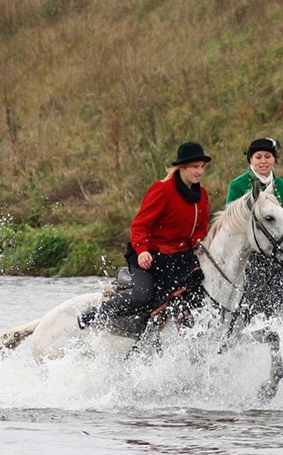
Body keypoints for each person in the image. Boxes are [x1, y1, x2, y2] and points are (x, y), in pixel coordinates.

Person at [78, 142, 212, 333]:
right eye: (194, 167)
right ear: (182, 168)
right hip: (150, 256)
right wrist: (142, 251)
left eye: (202, 167)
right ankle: (99, 312)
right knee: (142, 296)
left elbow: (199, 230)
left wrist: (198, 241)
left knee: (200, 290)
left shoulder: (203, 195)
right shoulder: (162, 190)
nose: (199, 172)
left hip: (181, 258)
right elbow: (139, 226)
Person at [226, 138, 283, 319]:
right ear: (250, 160)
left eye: (268, 156)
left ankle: (277, 316)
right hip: (248, 247)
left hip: (275, 247)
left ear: (274, 159)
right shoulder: (238, 184)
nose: (263, 161)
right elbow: (231, 221)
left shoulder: (281, 185)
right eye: (258, 157)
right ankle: (251, 316)